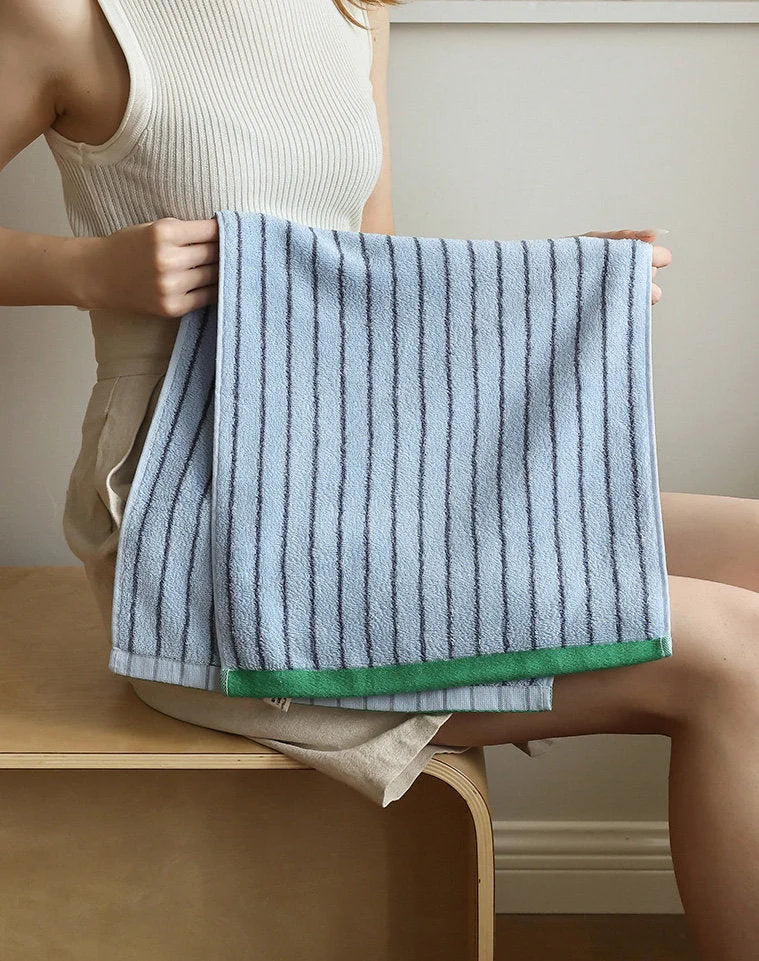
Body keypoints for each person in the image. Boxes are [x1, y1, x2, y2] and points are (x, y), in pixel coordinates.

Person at [1, 3, 756, 957]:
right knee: (733, 653)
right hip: (201, 519)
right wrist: (88, 268)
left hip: (353, 467)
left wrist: (564, 279)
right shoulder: (68, 17)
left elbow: (372, 280)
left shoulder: (351, 8)